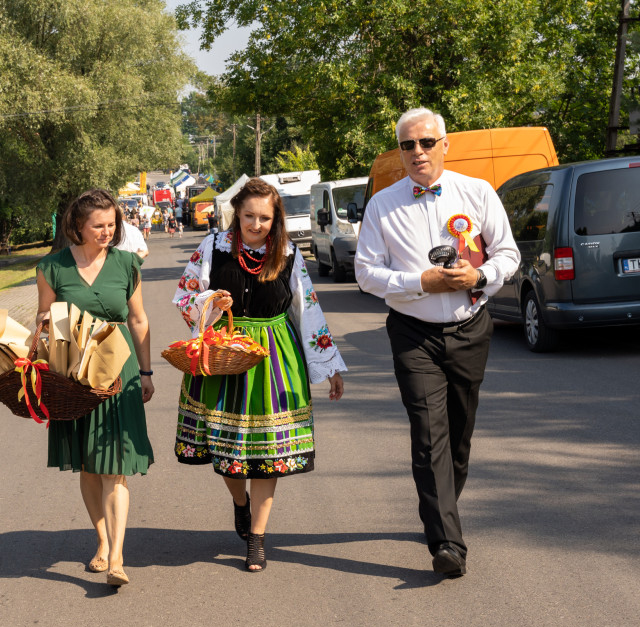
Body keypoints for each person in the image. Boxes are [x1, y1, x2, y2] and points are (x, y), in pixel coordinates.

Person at [354, 107, 521, 578]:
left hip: (470, 328)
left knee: (459, 437)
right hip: (413, 334)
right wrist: (419, 281)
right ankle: (447, 543)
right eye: (408, 145)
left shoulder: (478, 192)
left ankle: (442, 503)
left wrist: (480, 274)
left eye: (426, 143)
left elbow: (508, 253)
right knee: (429, 438)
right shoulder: (383, 204)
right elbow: (365, 273)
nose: (418, 152)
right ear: (400, 152)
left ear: (445, 145)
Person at [172, 178, 347, 572]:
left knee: (268, 452)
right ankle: (240, 503)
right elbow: (183, 297)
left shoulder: (287, 253)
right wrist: (209, 302)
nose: (255, 224)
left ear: (276, 217)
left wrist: (329, 365)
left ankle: (258, 538)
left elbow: (307, 310)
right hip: (224, 357)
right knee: (228, 448)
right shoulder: (212, 248)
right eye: (248, 215)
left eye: (264, 218)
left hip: (274, 358)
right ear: (237, 213)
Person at [36, 188, 155, 586]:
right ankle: (102, 542)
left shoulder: (126, 264)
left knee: (116, 467)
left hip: (120, 376)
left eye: (112, 224)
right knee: (88, 464)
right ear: (77, 227)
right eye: (99, 226)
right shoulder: (51, 268)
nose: (107, 232)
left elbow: (138, 320)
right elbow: (44, 320)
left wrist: (148, 371)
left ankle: (118, 558)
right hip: (73, 376)